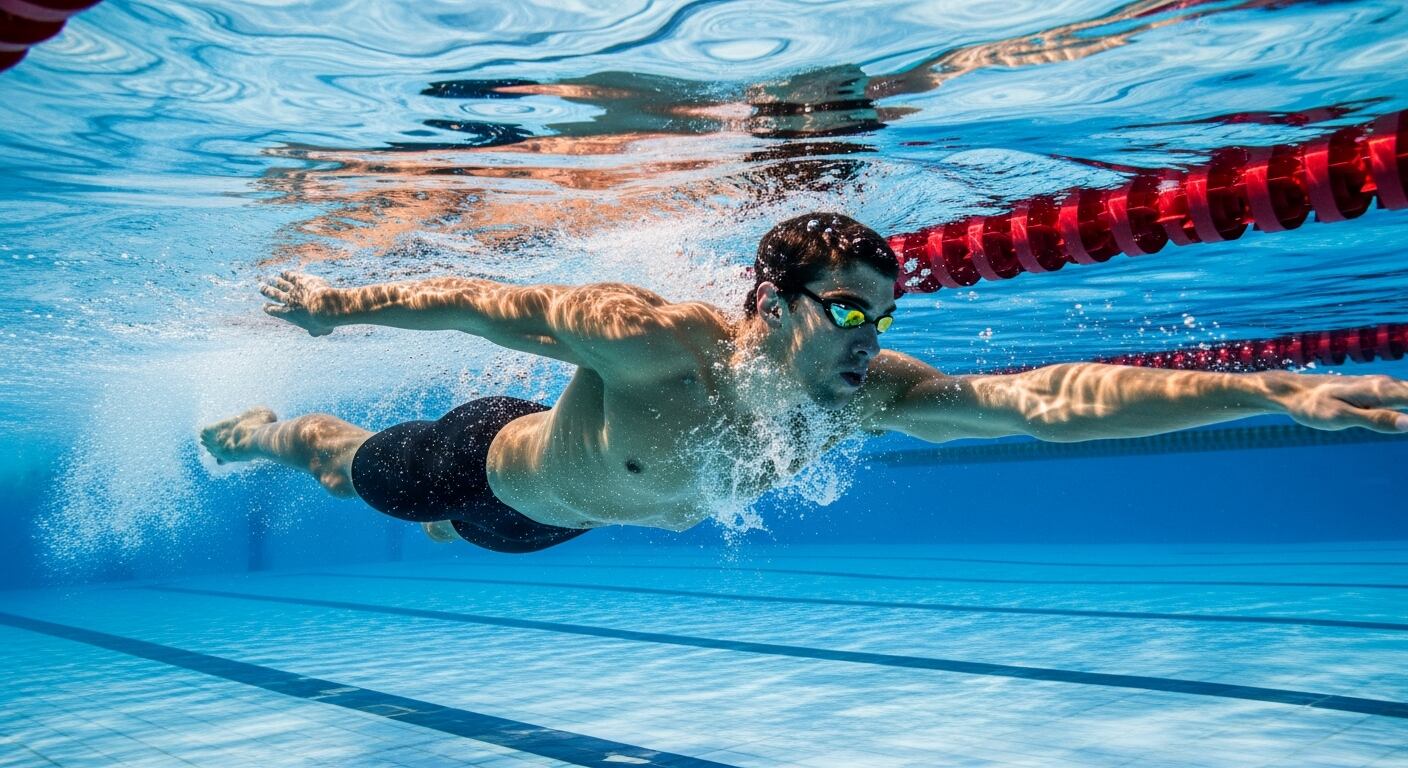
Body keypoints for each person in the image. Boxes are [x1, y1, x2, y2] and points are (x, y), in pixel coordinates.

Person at [200, 213, 1408, 553]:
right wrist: (345, 304)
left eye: (880, 318)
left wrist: (1270, 395)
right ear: (772, 305)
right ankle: (269, 432)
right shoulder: (659, 340)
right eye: (845, 312)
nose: (866, 340)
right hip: (488, 461)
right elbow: (496, 307)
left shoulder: (869, 393)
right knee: (339, 468)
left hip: (555, 531)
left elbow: (1048, 398)